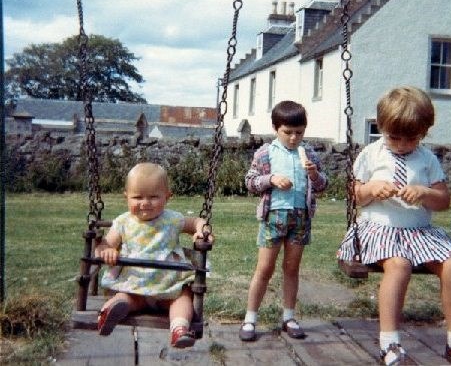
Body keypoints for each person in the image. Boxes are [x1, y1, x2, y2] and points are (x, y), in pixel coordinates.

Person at [337, 87, 451, 366]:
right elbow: (355, 194)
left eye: (412, 138)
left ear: (424, 133)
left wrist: (424, 193)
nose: (402, 144)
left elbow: (443, 200)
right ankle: (390, 343)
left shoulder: (427, 159)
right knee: (399, 265)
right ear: (382, 127)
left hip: (419, 231)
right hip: (379, 228)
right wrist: (372, 188)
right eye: (394, 137)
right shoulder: (371, 154)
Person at [95, 162, 211, 348]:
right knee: (126, 298)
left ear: (167, 197)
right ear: (126, 197)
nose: (145, 203)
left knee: (182, 297)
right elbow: (104, 246)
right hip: (136, 284)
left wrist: (202, 231)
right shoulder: (123, 222)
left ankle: (179, 329)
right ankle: (109, 311)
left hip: (168, 287)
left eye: (153, 197)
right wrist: (107, 250)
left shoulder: (172, 219)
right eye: (137, 197)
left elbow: (196, 221)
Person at [239, 100, 328, 342]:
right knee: (264, 269)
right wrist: (271, 179)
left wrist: (314, 174)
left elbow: (322, 185)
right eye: (287, 132)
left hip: (300, 217)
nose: (293, 138)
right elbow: (250, 182)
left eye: (299, 133)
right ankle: (250, 318)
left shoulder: (309, 153)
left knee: (291, 268)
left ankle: (289, 316)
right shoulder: (266, 152)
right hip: (273, 217)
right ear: (276, 128)